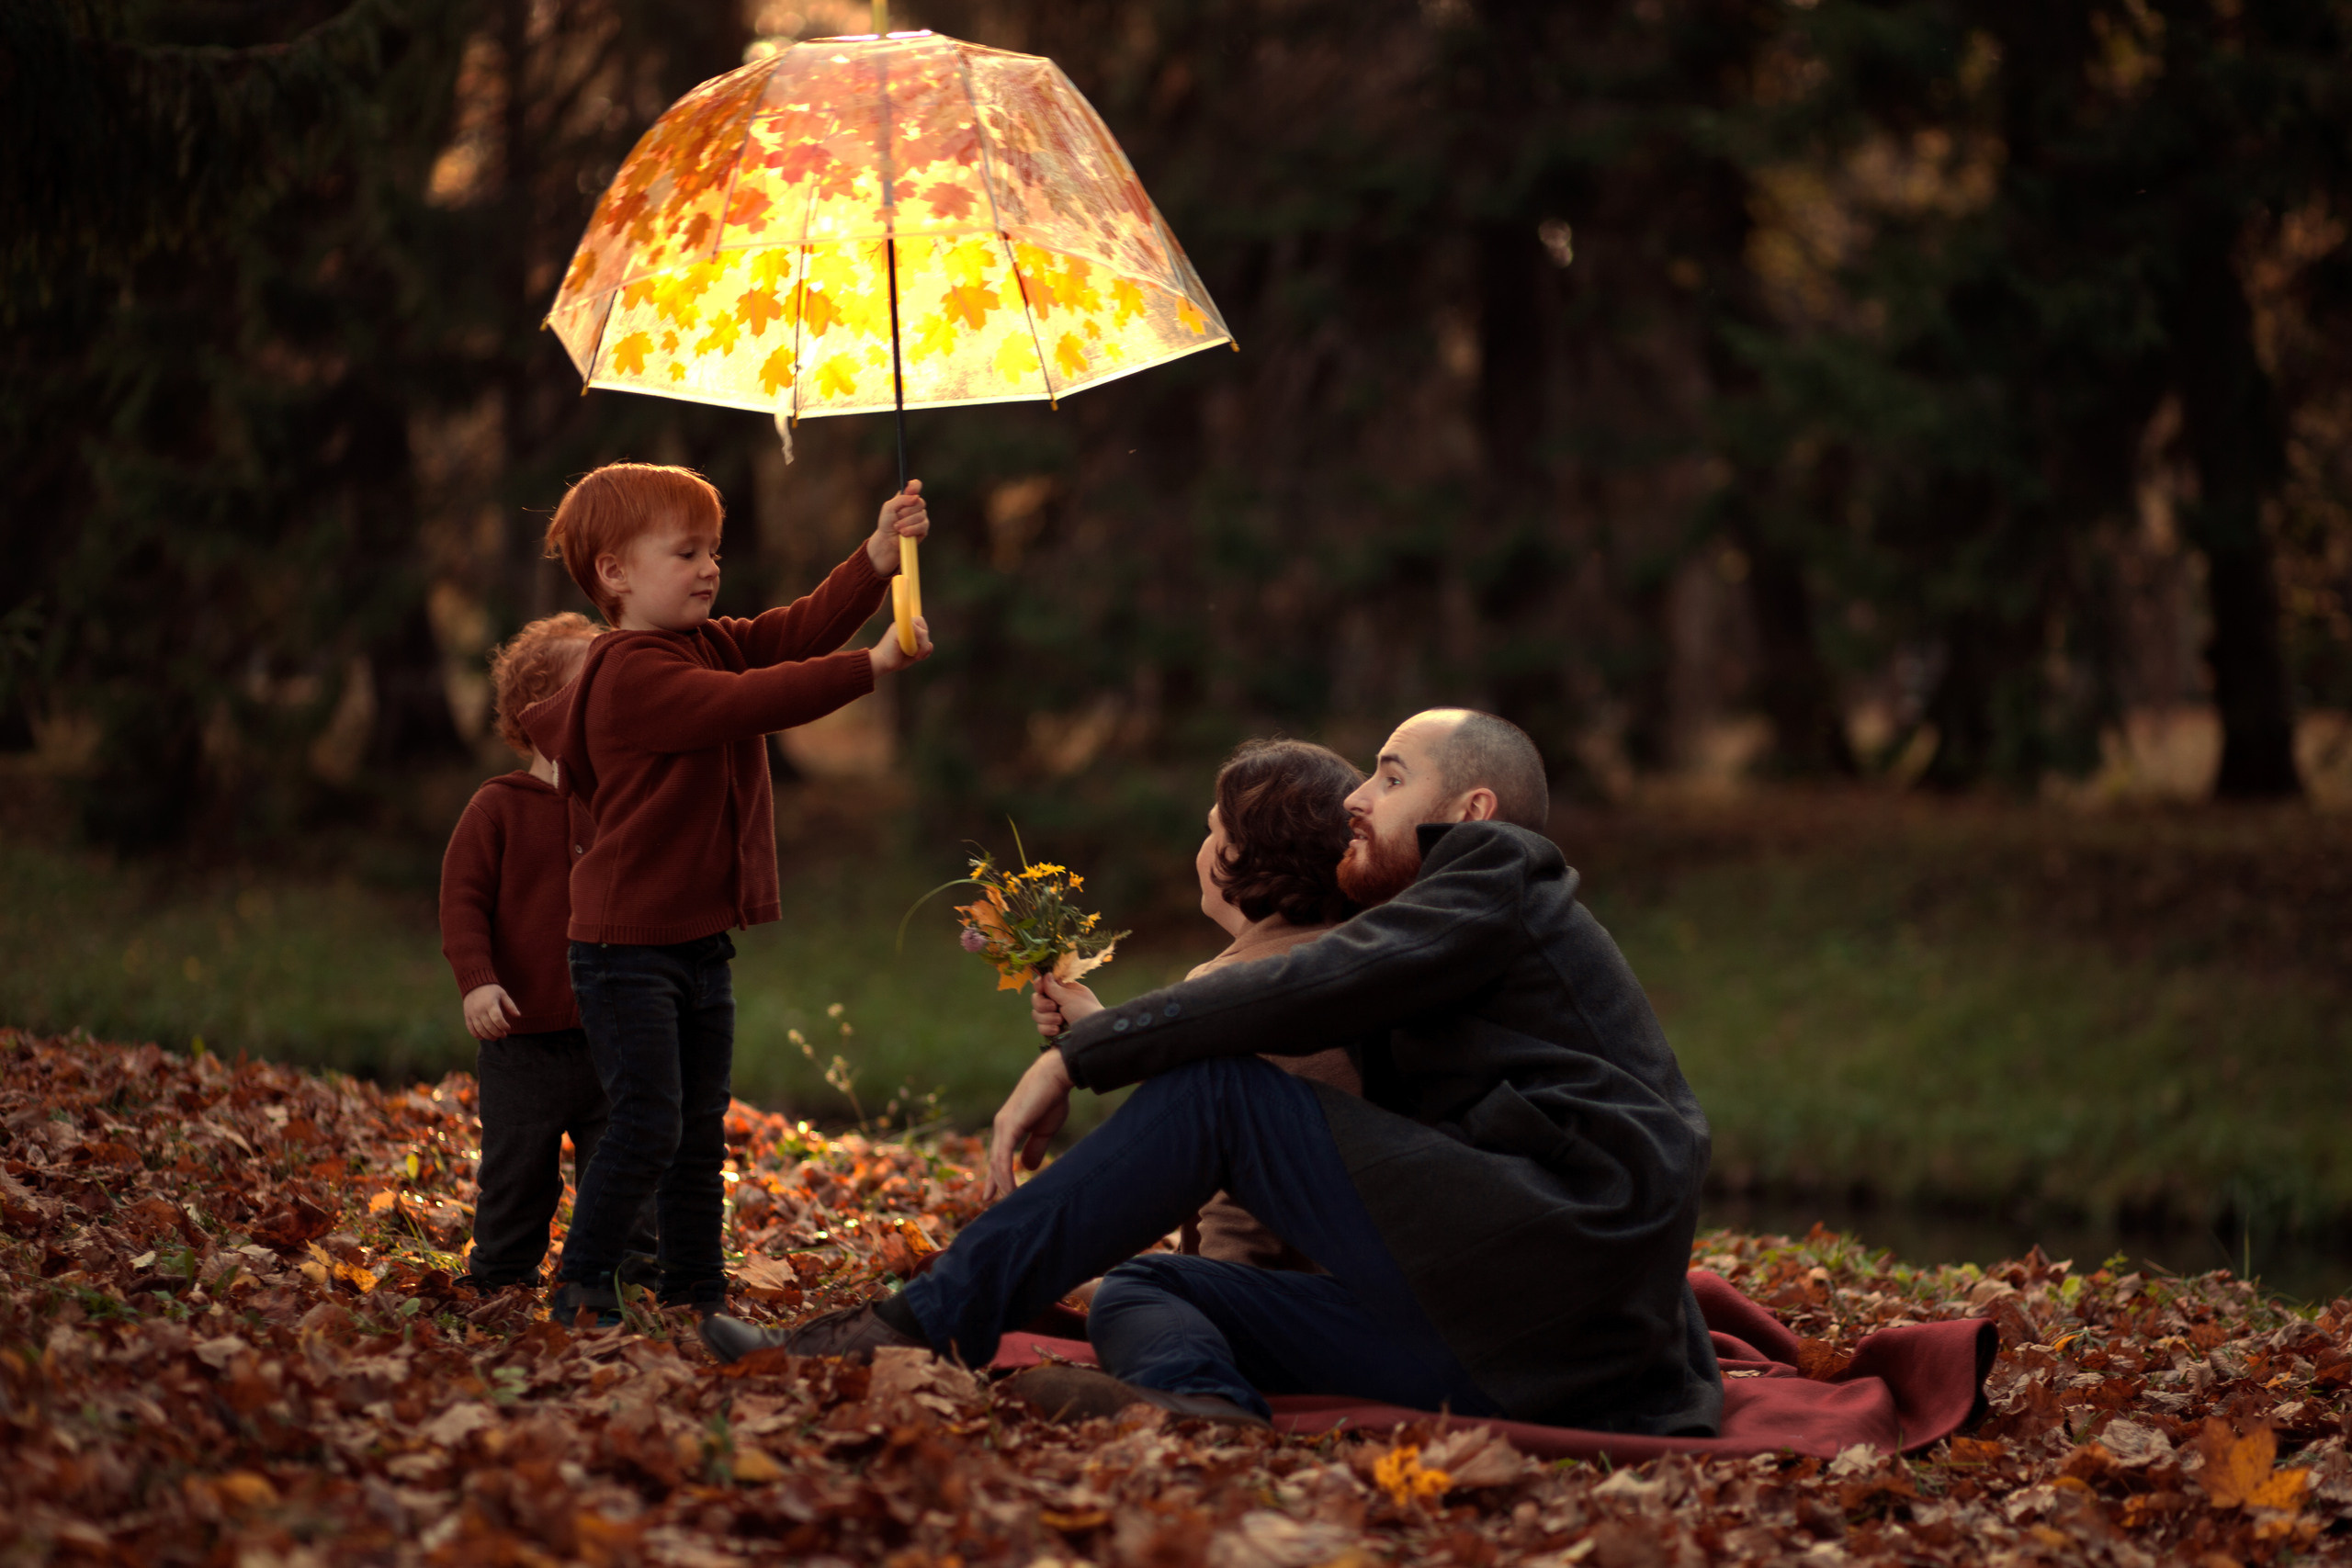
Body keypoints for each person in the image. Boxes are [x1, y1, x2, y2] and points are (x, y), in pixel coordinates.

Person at [702, 709, 1723, 1439]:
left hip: (1552, 1273)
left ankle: (910, 1329)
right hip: (1507, 1347)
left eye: (1387, 777)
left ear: (1474, 809)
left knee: (1218, 1093)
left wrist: (1082, 1054)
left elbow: (1309, 984)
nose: (1357, 799)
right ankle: (1201, 1406)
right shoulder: (1438, 936)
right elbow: (1300, 992)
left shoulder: (1501, 877)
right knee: (1149, 1284)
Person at [525, 462, 933, 1324]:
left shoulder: (701, 641)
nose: (710, 568)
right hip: (624, 948)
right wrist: (871, 666)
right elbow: (749, 701)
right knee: (649, 1122)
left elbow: (792, 632)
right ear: (615, 573)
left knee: (700, 1129)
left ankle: (697, 1290)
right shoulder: (630, 672)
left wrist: (874, 557)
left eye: (714, 550)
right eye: (686, 553)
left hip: (698, 941)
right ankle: (583, 1284)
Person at [1035, 738, 1365, 1273]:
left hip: (1288, 1290)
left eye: (1212, 830)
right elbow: (1208, 1091)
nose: (1204, 846)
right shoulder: (1361, 961)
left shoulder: (1230, 984)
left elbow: (1238, 1213)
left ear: (1236, 853)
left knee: (1109, 1289)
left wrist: (1189, 1295)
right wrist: (1099, 1027)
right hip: (1373, 1277)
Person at [438, 613, 657, 1292]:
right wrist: (477, 980)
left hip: (611, 1034)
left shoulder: (623, 804)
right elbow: (462, 902)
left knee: (626, 1164)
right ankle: (502, 1276)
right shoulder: (497, 808)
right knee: (518, 1170)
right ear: (538, 712)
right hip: (522, 1039)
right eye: (593, 690)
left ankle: (627, 1277)